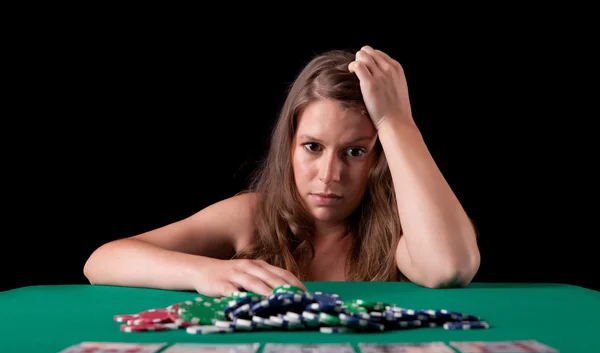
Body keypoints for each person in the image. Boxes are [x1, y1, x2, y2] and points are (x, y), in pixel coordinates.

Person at [83, 45, 480, 297]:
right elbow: (102, 261)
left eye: (355, 152)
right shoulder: (252, 214)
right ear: (288, 147)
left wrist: (396, 122)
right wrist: (206, 272)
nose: (329, 174)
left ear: (380, 158)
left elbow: (450, 268)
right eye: (312, 147)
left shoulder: (402, 229)